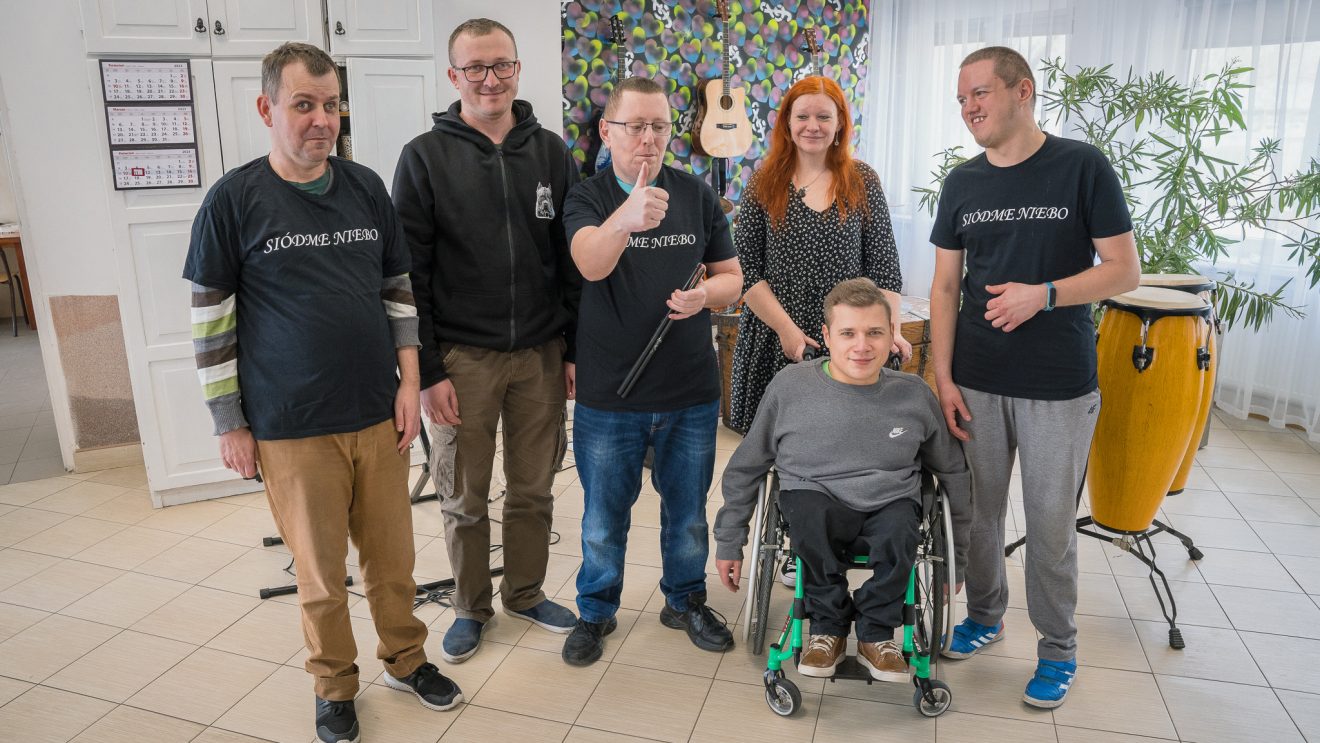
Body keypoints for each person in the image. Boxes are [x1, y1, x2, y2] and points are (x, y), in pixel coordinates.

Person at [184, 42, 461, 743]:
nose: (321, 120)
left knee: (393, 562)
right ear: (267, 108)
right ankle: (334, 685)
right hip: (291, 423)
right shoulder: (233, 201)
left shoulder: (365, 187)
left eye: (331, 105)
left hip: (377, 412)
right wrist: (228, 421)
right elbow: (211, 321)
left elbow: (398, 290)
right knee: (320, 575)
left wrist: (408, 381)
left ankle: (406, 659)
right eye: (303, 104)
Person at [929, 46, 1139, 708]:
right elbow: (944, 287)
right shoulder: (962, 182)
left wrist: (1044, 295)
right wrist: (943, 376)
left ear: (1023, 90)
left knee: (1050, 524)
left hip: (1057, 382)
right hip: (977, 377)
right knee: (978, 514)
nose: (969, 108)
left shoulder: (1081, 166)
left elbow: (1124, 270)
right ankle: (985, 617)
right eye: (961, 99)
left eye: (980, 93)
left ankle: (1057, 649)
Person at [392, 17, 581, 664]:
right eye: (475, 67)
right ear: (454, 76)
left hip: (541, 354)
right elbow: (408, 273)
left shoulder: (551, 152)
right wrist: (429, 370)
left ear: (518, 69)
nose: (490, 78)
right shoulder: (424, 157)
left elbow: (571, 260)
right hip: (462, 359)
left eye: (501, 64)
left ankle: (524, 592)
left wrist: (573, 350)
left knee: (534, 488)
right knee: (465, 497)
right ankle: (471, 607)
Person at [559, 76, 744, 666]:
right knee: (603, 518)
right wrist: (626, 218)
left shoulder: (695, 194)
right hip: (609, 392)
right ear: (607, 131)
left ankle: (685, 600)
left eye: (659, 126)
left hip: (689, 389)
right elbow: (589, 264)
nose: (649, 139)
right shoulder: (587, 198)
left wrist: (704, 296)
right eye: (635, 126)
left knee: (687, 515)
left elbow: (732, 279)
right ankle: (595, 610)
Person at [714, 278, 970, 681]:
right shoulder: (790, 387)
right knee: (808, 518)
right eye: (848, 333)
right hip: (813, 493)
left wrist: (957, 561)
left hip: (889, 500)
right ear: (827, 336)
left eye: (874, 333)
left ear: (892, 335)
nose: (862, 346)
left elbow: (952, 472)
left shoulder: (914, 395)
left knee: (902, 531)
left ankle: (875, 634)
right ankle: (827, 629)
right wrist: (730, 540)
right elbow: (747, 466)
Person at [728, 75, 910, 436]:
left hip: (850, 338)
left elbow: (885, 270)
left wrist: (890, 332)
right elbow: (747, 271)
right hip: (777, 336)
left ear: (840, 123)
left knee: (850, 441)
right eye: (803, 117)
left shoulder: (862, 180)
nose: (813, 126)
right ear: (787, 122)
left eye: (824, 117)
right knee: (780, 447)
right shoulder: (763, 182)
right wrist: (787, 331)